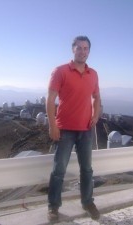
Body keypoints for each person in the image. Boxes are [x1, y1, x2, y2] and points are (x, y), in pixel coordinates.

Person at [46, 35, 101, 222]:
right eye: (79, 48)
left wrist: (96, 115)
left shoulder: (93, 73)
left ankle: (87, 202)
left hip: (86, 130)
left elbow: (97, 97)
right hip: (65, 130)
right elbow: (50, 99)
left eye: (86, 48)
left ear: (89, 51)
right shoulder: (60, 71)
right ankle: (53, 207)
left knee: (87, 170)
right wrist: (52, 125)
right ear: (73, 49)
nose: (82, 51)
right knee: (58, 170)